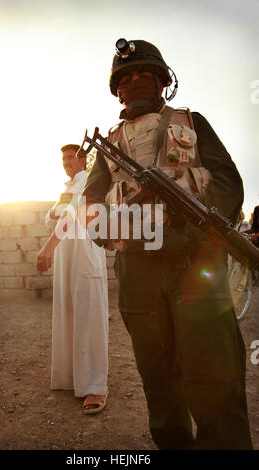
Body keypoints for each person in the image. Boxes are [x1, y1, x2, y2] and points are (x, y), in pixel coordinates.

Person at [81, 39, 253, 448]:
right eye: (127, 79)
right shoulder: (108, 145)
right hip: (138, 272)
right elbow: (90, 203)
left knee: (215, 378)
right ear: (117, 90)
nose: (136, 82)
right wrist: (111, 227)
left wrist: (195, 228)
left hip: (197, 267)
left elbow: (228, 183)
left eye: (146, 75)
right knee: (160, 385)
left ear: (163, 82)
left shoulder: (190, 122)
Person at [37, 144, 109, 414]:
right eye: (63, 158)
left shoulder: (87, 183)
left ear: (84, 159)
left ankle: (96, 385)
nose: (66, 162)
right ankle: (72, 378)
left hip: (85, 253)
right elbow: (51, 216)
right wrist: (58, 216)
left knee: (89, 315)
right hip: (67, 257)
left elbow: (68, 217)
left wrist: (48, 247)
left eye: (71, 157)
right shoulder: (68, 187)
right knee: (69, 313)